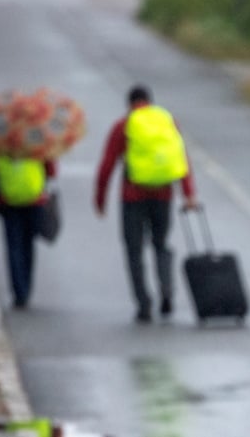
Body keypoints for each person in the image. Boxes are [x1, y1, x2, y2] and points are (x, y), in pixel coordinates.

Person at [95, 84, 198, 324]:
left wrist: (100, 199)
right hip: (163, 196)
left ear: (129, 104)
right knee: (161, 244)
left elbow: (107, 165)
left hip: (132, 197)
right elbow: (180, 157)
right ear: (150, 101)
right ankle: (167, 290)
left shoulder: (123, 126)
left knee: (134, 251)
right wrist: (188, 193)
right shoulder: (167, 122)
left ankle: (144, 303)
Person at [0, 152, 57, 309]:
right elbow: (52, 171)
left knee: (13, 246)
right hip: (34, 201)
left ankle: (19, 292)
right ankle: (26, 288)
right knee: (28, 244)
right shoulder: (36, 145)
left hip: (8, 203)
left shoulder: (0, 146)